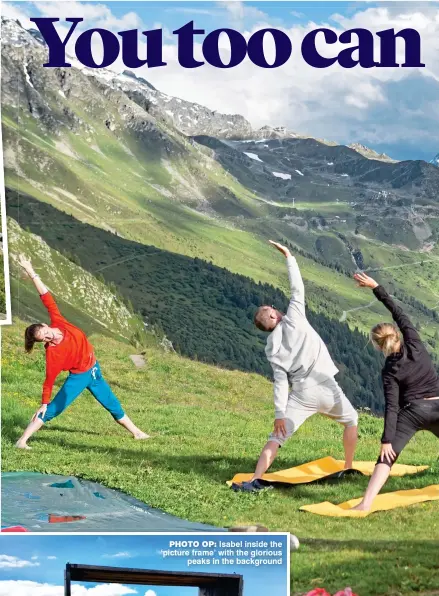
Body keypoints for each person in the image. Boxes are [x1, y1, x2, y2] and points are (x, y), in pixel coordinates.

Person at [233, 241, 358, 492]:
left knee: (277, 437)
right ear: (271, 317)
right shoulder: (294, 319)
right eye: (270, 308)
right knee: (352, 419)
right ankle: (347, 466)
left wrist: (279, 414)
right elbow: (297, 288)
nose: (274, 307)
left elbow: (280, 382)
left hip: (300, 393)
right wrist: (289, 256)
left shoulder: (272, 348)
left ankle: (255, 478)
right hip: (325, 384)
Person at [15, 255, 149, 449]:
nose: (47, 337)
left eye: (45, 332)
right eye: (42, 338)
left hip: (94, 369)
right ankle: (22, 440)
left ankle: (137, 433)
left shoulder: (58, 322)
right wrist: (44, 403)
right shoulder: (53, 353)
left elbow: (46, 297)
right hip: (79, 377)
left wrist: (30, 270)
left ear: (46, 325)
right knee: (54, 409)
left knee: (111, 402)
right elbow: (49, 380)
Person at [350, 271, 439, 511]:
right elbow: (399, 312)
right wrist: (376, 287)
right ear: (397, 334)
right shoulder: (414, 343)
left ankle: (365, 503)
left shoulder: (389, 371)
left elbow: (392, 407)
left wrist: (387, 441)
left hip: (413, 413)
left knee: (387, 459)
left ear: (379, 346)